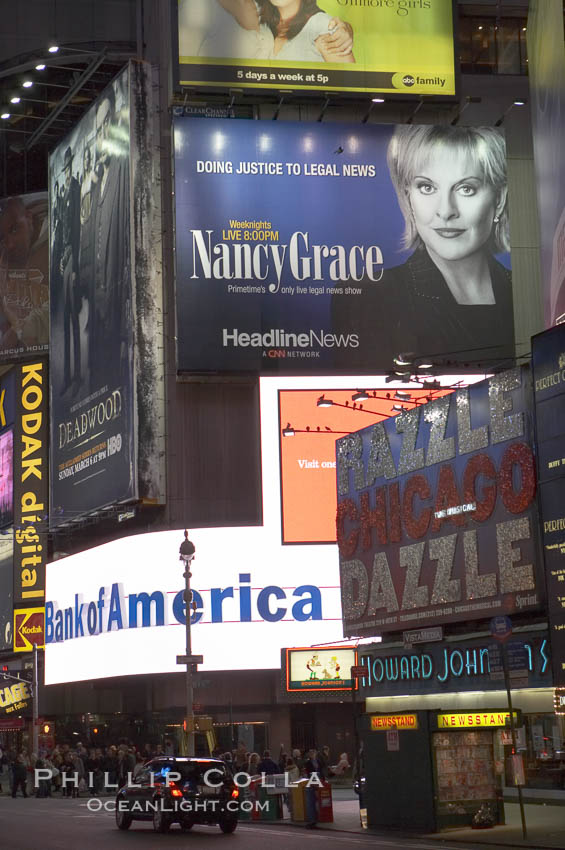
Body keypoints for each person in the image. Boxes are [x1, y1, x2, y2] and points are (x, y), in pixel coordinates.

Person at [334, 125, 514, 371]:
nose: (446, 211)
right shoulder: (371, 295)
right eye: (427, 187)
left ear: (499, 199)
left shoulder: (520, 293)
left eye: (466, 189)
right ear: (408, 197)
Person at [181, 0, 354, 64]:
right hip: (217, 111)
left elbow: (350, 85)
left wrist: (344, 28)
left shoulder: (261, 10)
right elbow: (181, 72)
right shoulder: (198, 5)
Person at [0, 194, 49, 351]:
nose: (10, 244)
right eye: (2, 238)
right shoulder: (5, 260)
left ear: (29, 218)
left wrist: (18, 330)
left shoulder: (59, 242)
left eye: (14, 229)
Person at [59, 146, 82, 396]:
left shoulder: (74, 188)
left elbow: (76, 228)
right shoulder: (66, 190)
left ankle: (76, 373)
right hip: (66, 256)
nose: (66, 172)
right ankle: (67, 374)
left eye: (67, 168)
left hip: (72, 255)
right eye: (64, 169)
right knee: (65, 317)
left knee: (74, 317)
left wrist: (74, 264)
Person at [303, 748, 324, 828]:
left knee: (317, 801)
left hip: (318, 782)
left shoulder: (319, 762)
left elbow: (321, 771)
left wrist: (322, 780)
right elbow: (307, 773)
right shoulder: (308, 763)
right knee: (311, 802)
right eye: (311, 753)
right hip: (312, 783)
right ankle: (312, 820)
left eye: (313, 753)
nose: (312, 754)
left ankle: (317, 818)